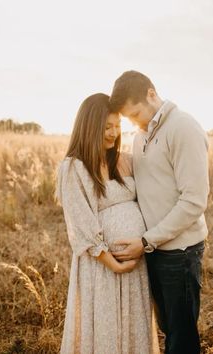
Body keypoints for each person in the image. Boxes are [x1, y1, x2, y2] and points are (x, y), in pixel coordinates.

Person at [109, 70, 210, 354]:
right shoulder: (140, 135)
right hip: (153, 249)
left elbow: (194, 201)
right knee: (169, 328)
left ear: (151, 93)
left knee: (181, 336)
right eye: (128, 118)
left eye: (136, 113)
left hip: (179, 252)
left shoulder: (183, 128)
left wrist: (145, 241)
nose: (133, 121)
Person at [56, 93, 160, 354]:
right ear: (90, 126)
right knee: (105, 331)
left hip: (136, 263)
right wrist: (112, 262)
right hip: (101, 268)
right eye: (107, 127)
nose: (114, 133)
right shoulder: (73, 167)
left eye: (118, 126)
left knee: (134, 329)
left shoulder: (124, 160)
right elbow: (80, 223)